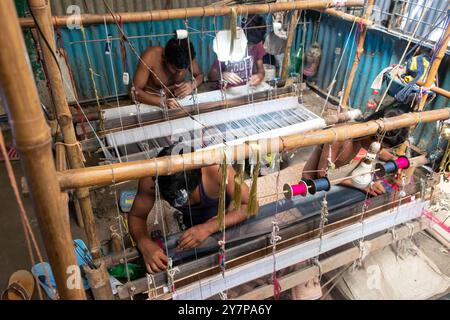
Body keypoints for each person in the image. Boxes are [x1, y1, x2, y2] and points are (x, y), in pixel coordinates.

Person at [128, 145, 251, 274]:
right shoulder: (151, 179)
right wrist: (144, 243)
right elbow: (137, 216)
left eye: (182, 199)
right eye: (169, 199)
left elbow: (250, 205)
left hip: (228, 219)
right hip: (192, 226)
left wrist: (209, 227)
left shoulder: (216, 168)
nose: (175, 203)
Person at [303, 105, 410, 196]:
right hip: (313, 186)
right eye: (380, 146)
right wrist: (363, 184)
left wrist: (394, 160)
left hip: (342, 180)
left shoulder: (367, 139)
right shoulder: (341, 137)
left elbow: (378, 151)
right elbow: (322, 176)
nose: (379, 150)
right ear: (373, 135)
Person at [132, 37, 204, 109]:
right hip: (152, 103)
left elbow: (200, 76)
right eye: (175, 69)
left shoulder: (187, 56)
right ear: (164, 58)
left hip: (176, 102)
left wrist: (192, 85)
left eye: (184, 69)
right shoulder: (151, 56)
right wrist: (161, 101)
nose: (180, 74)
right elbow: (134, 91)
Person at [208, 14, 266, 87]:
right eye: (248, 43)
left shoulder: (257, 43)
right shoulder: (226, 44)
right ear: (242, 35)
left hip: (247, 89)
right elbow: (211, 76)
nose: (250, 47)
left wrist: (260, 76)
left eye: (253, 45)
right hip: (227, 90)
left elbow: (261, 70)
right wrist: (223, 75)